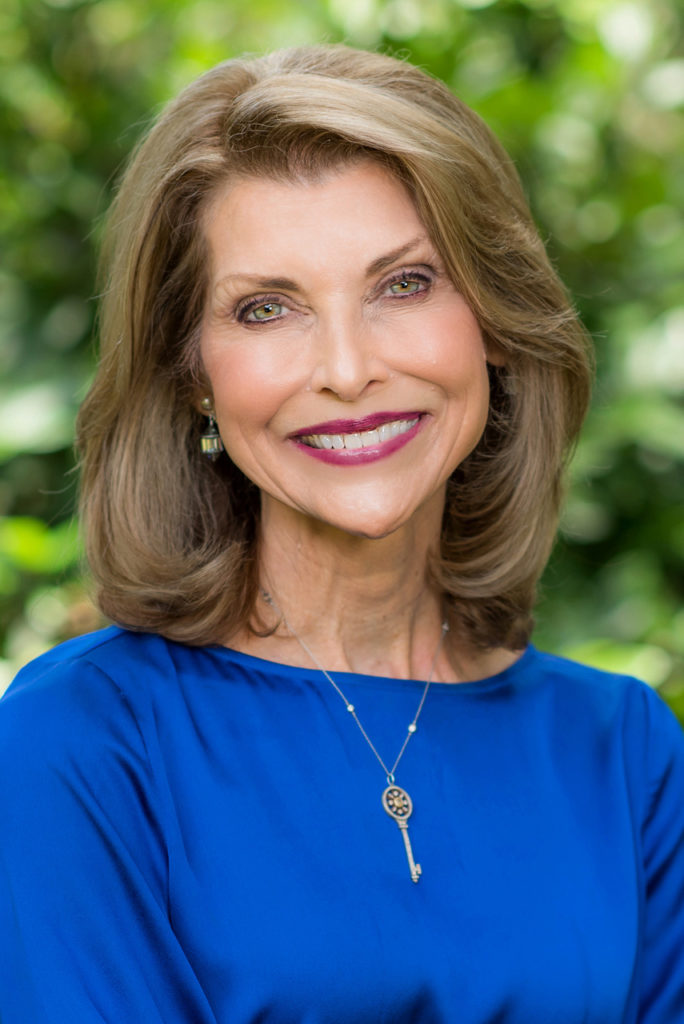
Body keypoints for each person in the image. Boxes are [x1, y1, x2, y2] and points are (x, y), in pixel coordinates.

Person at [0, 44, 682, 1024]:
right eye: (266, 308)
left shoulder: (621, 753)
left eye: (404, 284)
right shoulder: (84, 740)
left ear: (493, 320)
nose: (349, 369)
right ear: (192, 372)